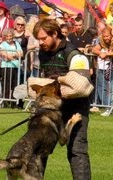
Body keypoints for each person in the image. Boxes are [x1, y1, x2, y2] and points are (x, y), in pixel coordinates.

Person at [33, 18, 91, 179]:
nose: (40, 43)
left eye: (44, 38)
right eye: (38, 39)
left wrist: (58, 83)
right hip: (51, 109)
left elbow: (82, 83)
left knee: (76, 150)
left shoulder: (72, 53)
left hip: (75, 108)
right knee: (39, 149)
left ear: (55, 34)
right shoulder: (42, 52)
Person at [0, 28, 23, 107]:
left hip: (16, 67)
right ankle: (6, 103)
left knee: (15, 85)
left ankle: (14, 103)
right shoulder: (2, 44)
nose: (9, 38)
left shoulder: (16, 43)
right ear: (5, 37)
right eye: (7, 36)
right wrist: (15, 54)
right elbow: (5, 55)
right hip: (6, 67)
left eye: (10, 36)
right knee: (6, 85)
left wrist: (13, 55)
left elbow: (21, 53)